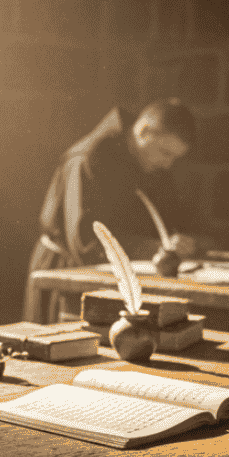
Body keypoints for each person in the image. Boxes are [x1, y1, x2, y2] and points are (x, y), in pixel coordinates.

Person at [24, 98, 200, 322]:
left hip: (115, 273)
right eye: (165, 153)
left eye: (174, 158)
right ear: (144, 131)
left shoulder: (147, 161)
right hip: (65, 272)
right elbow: (85, 241)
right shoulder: (88, 158)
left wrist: (174, 243)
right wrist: (155, 249)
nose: (167, 164)